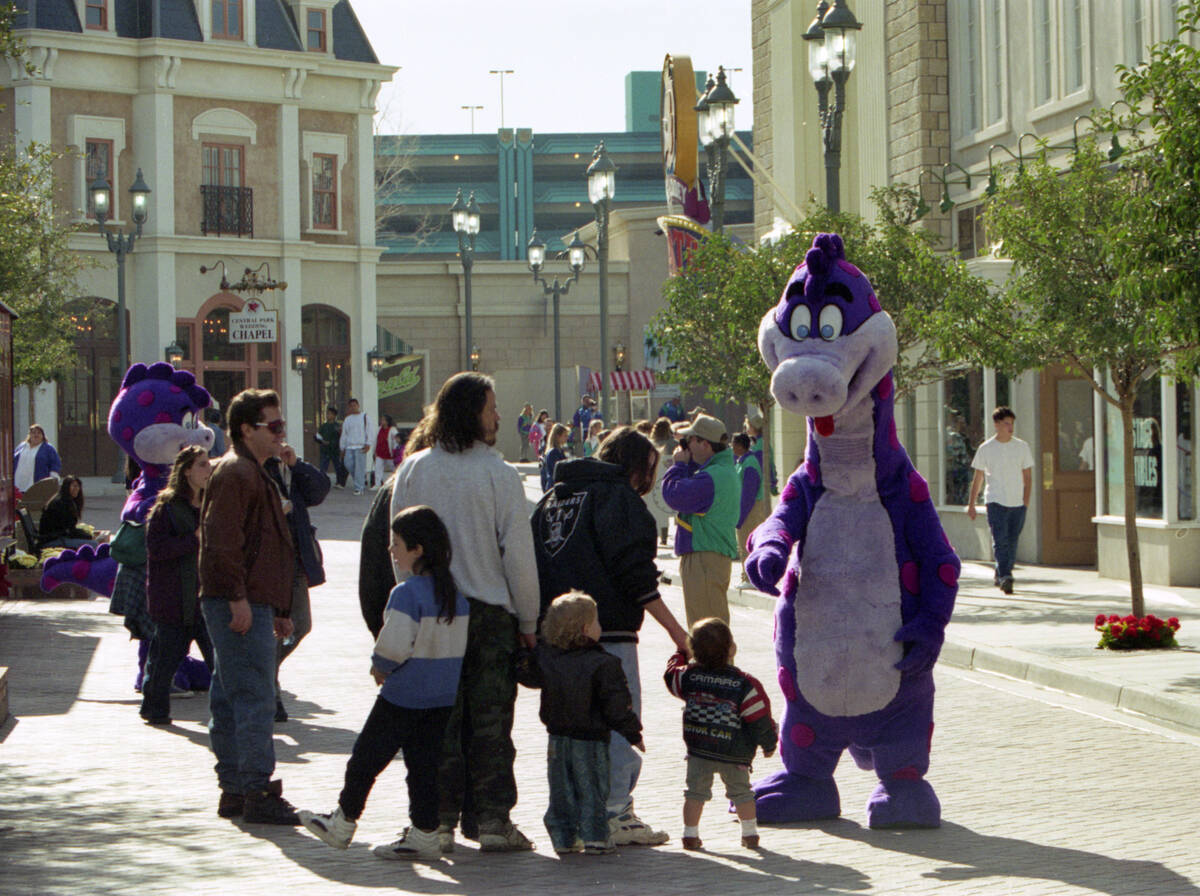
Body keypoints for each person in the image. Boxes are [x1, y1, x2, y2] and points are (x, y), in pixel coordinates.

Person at [390, 372, 540, 853]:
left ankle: (438, 822)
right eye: (491, 407)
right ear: (471, 413)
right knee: (491, 723)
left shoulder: (414, 470)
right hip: (490, 615)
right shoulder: (499, 474)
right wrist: (529, 619)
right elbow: (518, 555)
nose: (498, 415)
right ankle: (493, 820)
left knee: (439, 722)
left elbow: (398, 547)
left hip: (433, 610)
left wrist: (409, 604)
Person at [531, 425, 689, 846]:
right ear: (636, 467)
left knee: (568, 730)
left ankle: (575, 818)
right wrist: (678, 632)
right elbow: (635, 575)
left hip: (556, 638)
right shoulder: (618, 498)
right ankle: (615, 811)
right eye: (648, 470)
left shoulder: (552, 498)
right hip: (610, 633)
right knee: (618, 719)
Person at [298, 506, 470, 861]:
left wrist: (380, 667)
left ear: (417, 549)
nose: (391, 550)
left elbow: (393, 645)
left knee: (365, 759)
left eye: (397, 543)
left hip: (403, 696)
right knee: (423, 767)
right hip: (441, 698)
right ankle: (425, 831)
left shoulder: (406, 593)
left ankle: (343, 821)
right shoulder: (457, 597)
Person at [199, 388, 300, 825]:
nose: (280, 433)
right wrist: (237, 598)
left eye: (281, 425)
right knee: (254, 696)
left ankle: (237, 789)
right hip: (239, 601)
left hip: (250, 600)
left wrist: (278, 607)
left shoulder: (251, 471)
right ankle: (256, 789)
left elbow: (263, 546)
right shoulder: (237, 472)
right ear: (245, 429)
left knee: (230, 693)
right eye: (272, 426)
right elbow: (222, 542)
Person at [517, 592, 643, 856]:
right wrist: (633, 733)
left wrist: (521, 655)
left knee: (561, 790)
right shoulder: (604, 663)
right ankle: (595, 836)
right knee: (592, 789)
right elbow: (616, 705)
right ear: (586, 629)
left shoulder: (546, 657)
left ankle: (564, 837)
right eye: (596, 621)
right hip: (591, 738)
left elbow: (528, 675)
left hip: (557, 736)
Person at [664, 617, 777, 851]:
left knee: (694, 793)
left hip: (699, 750)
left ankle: (690, 835)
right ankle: (750, 834)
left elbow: (670, 675)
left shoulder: (688, 676)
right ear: (731, 648)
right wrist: (769, 743)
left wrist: (680, 654)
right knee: (742, 793)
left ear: (693, 649)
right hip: (734, 753)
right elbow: (759, 718)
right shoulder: (744, 684)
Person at [140, 446, 215, 725]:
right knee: (165, 661)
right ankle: (154, 710)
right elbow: (156, 549)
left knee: (220, 661)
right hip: (173, 599)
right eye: (202, 465)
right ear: (187, 471)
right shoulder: (167, 508)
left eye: (209, 463)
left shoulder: (212, 504)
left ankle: (230, 715)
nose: (208, 469)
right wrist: (193, 539)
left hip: (208, 598)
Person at [264, 439, 331, 723]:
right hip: (269, 563)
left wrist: (296, 464)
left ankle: (265, 672)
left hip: (297, 558)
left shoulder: (287, 467)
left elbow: (319, 491)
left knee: (301, 624)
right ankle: (269, 690)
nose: (279, 439)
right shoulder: (252, 468)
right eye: (273, 431)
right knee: (272, 629)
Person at [662, 414, 740, 627]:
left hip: (704, 557)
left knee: (707, 632)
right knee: (710, 628)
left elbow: (675, 496)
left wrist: (678, 466)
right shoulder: (720, 471)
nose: (687, 446)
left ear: (705, 444)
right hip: (708, 555)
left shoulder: (712, 477)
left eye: (691, 440)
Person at [966, 406, 1034, 595]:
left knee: (1012, 541)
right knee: (1000, 540)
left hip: (1017, 502)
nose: (1010, 428)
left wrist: (1025, 502)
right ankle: (1006, 576)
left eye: (1012, 424)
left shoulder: (1022, 447)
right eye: (1006, 424)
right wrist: (971, 504)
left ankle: (1001, 572)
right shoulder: (986, 449)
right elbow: (978, 478)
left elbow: (1028, 477)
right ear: (996, 425)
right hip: (995, 501)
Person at [731, 433, 767, 582]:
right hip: (745, 508)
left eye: (733, 444)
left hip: (750, 509)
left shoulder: (749, 463)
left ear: (740, 446)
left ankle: (750, 578)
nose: (732, 447)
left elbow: (748, 494)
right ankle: (747, 577)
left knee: (747, 544)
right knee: (743, 545)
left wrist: (740, 517)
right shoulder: (742, 461)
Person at [37, 476, 95, 550]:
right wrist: (88, 536)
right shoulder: (61, 503)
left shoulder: (64, 500)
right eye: (74, 486)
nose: (77, 489)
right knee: (93, 544)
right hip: (52, 541)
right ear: (66, 487)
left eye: (78, 486)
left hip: (56, 537)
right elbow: (69, 531)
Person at [646, 417, 674, 546]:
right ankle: (664, 537)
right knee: (664, 509)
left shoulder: (650, 443)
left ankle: (653, 535)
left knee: (653, 508)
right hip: (668, 477)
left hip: (654, 477)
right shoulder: (673, 443)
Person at [13, 424, 62, 493]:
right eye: (33, 432)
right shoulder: (22, 446)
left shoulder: (48, 449)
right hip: (18, 485)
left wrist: (52, 481)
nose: (36, 435)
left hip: (37, 487)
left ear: (43, 435)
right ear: (29, 435)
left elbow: (55, 464)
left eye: (39, 433)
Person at [340, 397, 371, 495]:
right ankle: (360, 479)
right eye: (351, 406)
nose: (353, 407)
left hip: (360, 446)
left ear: (358, 406)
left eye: (355, 405)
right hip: (349, 446)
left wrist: (368, 443)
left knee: (359, 467)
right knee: (348, 464)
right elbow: (344, 434)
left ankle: (359, 488)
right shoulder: (347, 419)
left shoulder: (365, 417)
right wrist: (342, 447)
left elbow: (369, 431)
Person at [315, 406, 348, 488]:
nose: (328, 415)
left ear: (334, 415)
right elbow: (317, 436)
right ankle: (321, 482)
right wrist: (322, 441)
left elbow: (340, 438)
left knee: (337, 467)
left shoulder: (337, 426)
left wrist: (332, 443)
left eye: (330, 414)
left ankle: (339, 482)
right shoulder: (324, 426)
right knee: (323, 467)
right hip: (325, 450)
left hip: (334, 450)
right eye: (327, 414)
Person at [540, 423, 569, 492]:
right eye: (565, 436)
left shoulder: (561, 451)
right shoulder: (553, 452)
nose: (567, 438)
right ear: (558, 436)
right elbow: (556, 470)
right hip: (553, 486)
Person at [373, 414, 396, 489]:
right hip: (380, 453)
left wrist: (395, 451)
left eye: (383, 420)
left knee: (394, 468)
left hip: (389, 454)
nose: (381, 421)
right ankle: (377, 484)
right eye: (381, 420)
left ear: (387, 421)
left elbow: (395, 441)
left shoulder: (392, 430)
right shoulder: (379, 429)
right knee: (378, 469)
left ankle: (395, 483)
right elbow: (376, 440)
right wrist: (374, 452)